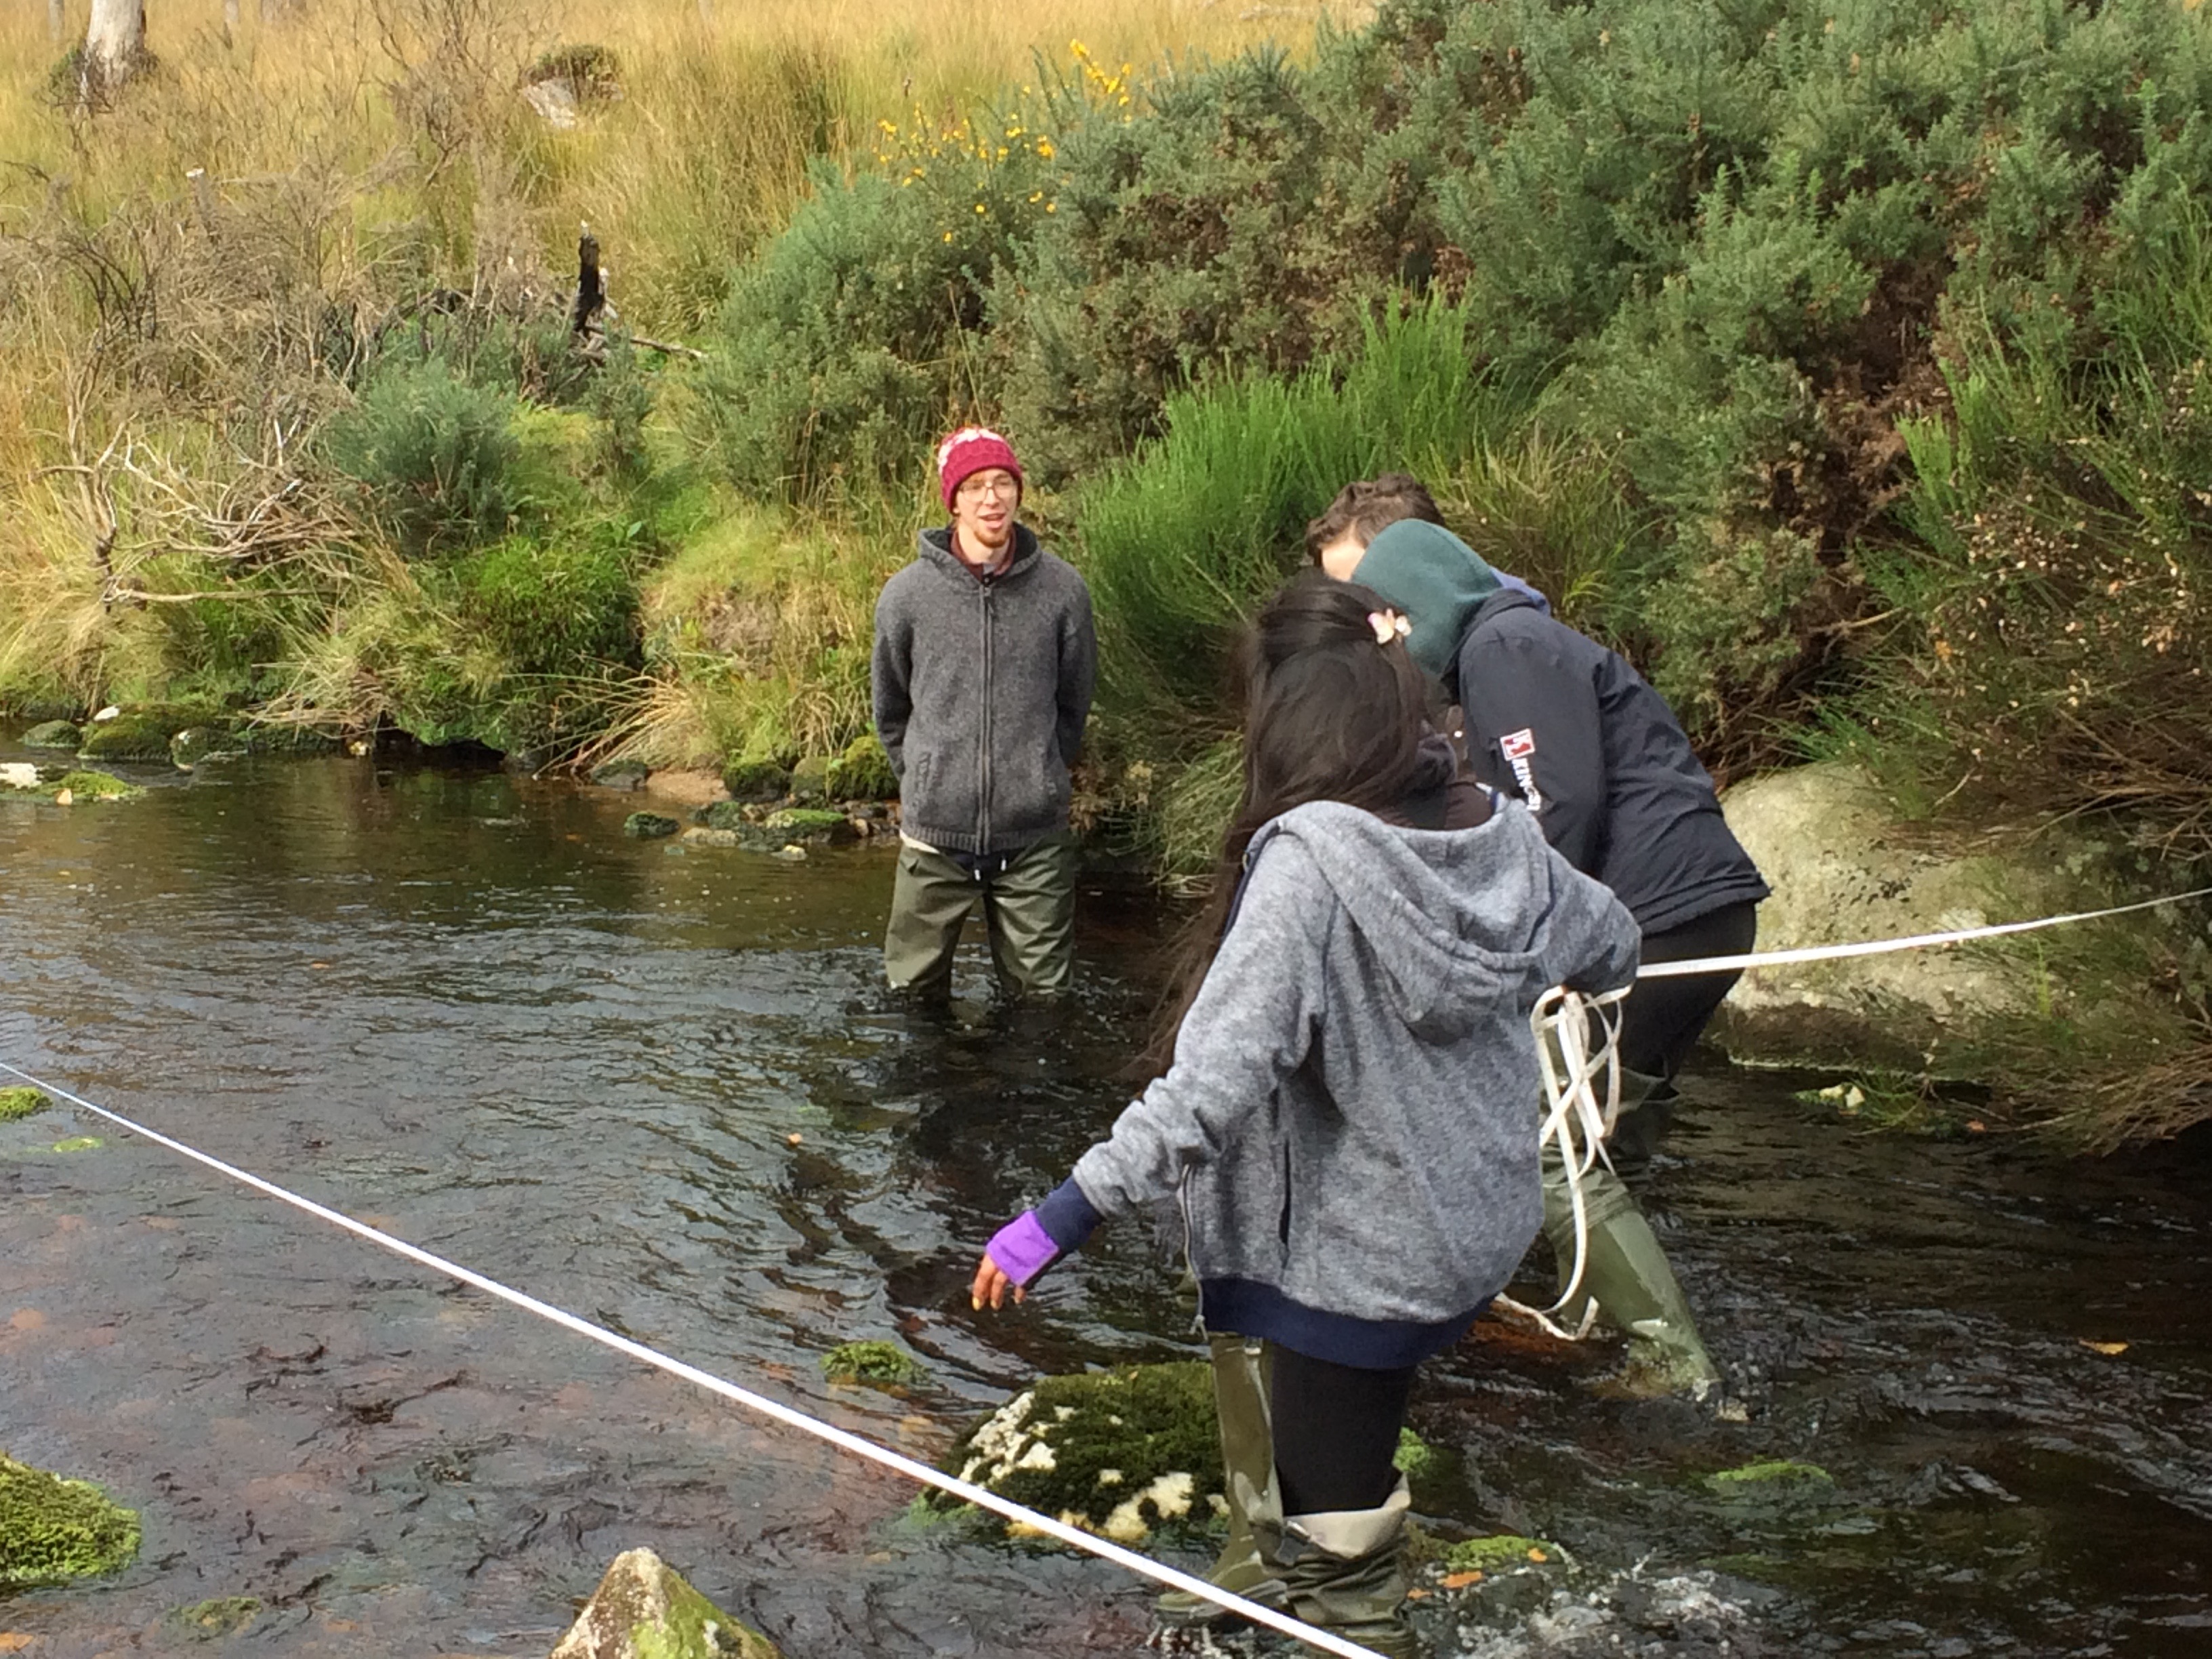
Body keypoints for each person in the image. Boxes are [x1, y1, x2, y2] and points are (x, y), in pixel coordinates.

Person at [970, 577, 1640, 1656]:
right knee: (1336, 1467)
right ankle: (1290, 1588)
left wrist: (1064, 1214)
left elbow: (1212, 1083)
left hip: (1361, 1264)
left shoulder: (1311, 864)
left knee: (1339, 1542)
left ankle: (1344, 1617)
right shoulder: (1505, 836)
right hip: (1467, 1230)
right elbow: (1612, 942)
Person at [1312, 489, 1770, 1397]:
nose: (1390, 637)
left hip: (1657, 918)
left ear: (1428, 604)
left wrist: (1515, 951)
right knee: (1605, 1125)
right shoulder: (1509, 646)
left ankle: (1673, 1365)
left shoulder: (1504, 649)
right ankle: (1604, 1311)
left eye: (1394, 616)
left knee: (1549, 1142)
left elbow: (1555, 805)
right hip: (1693, 911)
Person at [871, 427, 1097, 1000]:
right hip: (934, 836)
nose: (991, 499)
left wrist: (1041, 775)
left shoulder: (1064, 592)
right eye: (975, 487)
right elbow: (890, 708)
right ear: (954, 502)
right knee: (910, 998)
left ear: (1018, 493)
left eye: (1002, 483)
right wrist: (924, 778)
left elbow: (1075, 702)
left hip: (1033, 840)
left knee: (1043, 1006)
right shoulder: (906, 596)